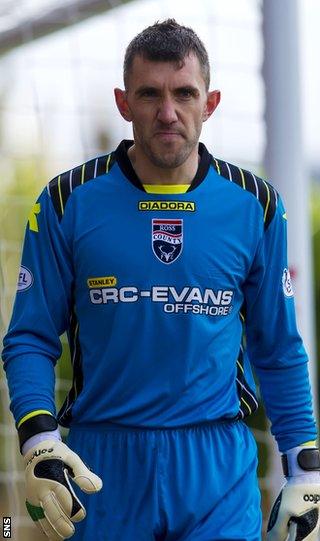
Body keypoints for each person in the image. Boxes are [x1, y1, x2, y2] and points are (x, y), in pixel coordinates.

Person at [2, 18, 320, 541]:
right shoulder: (66, 202)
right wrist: (38, 438)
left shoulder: (255, 205)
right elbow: (29, 337)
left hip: (216, 468)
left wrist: (305, 467)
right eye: (149, 94)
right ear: (123, 103)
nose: (167, 112)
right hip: (102, 468)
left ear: (210, 102)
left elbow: (278, 347)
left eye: (184, 94)